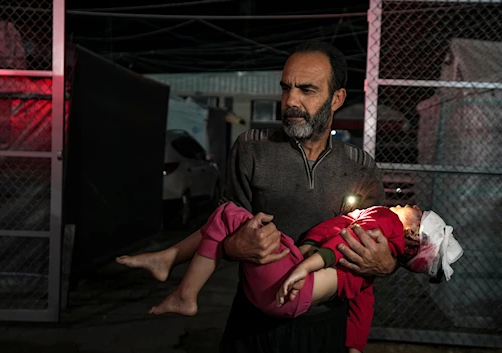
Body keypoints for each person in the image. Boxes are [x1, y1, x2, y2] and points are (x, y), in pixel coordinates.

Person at [119, 41, 397, 353]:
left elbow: (384, 242)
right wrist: (235, 246)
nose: (290, 100)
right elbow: (220, 230)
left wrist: (386, 264)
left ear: (337, 98)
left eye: (307, 90)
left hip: (325, 324)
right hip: (253, 322)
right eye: (286, 88)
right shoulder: (252, 148)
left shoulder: (361, 167)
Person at [128, 201, 462, 353]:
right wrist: (355, 348)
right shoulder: (368, 272)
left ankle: (183, 287)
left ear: (414, 236)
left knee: (228, 213)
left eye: (420, 214)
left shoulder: (385, 220)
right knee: (230, 221)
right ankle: (170, 261)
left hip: (286, 282)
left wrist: (304, 265)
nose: (414, 206)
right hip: (283, 300)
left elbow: (339, 245)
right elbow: (364, 310)